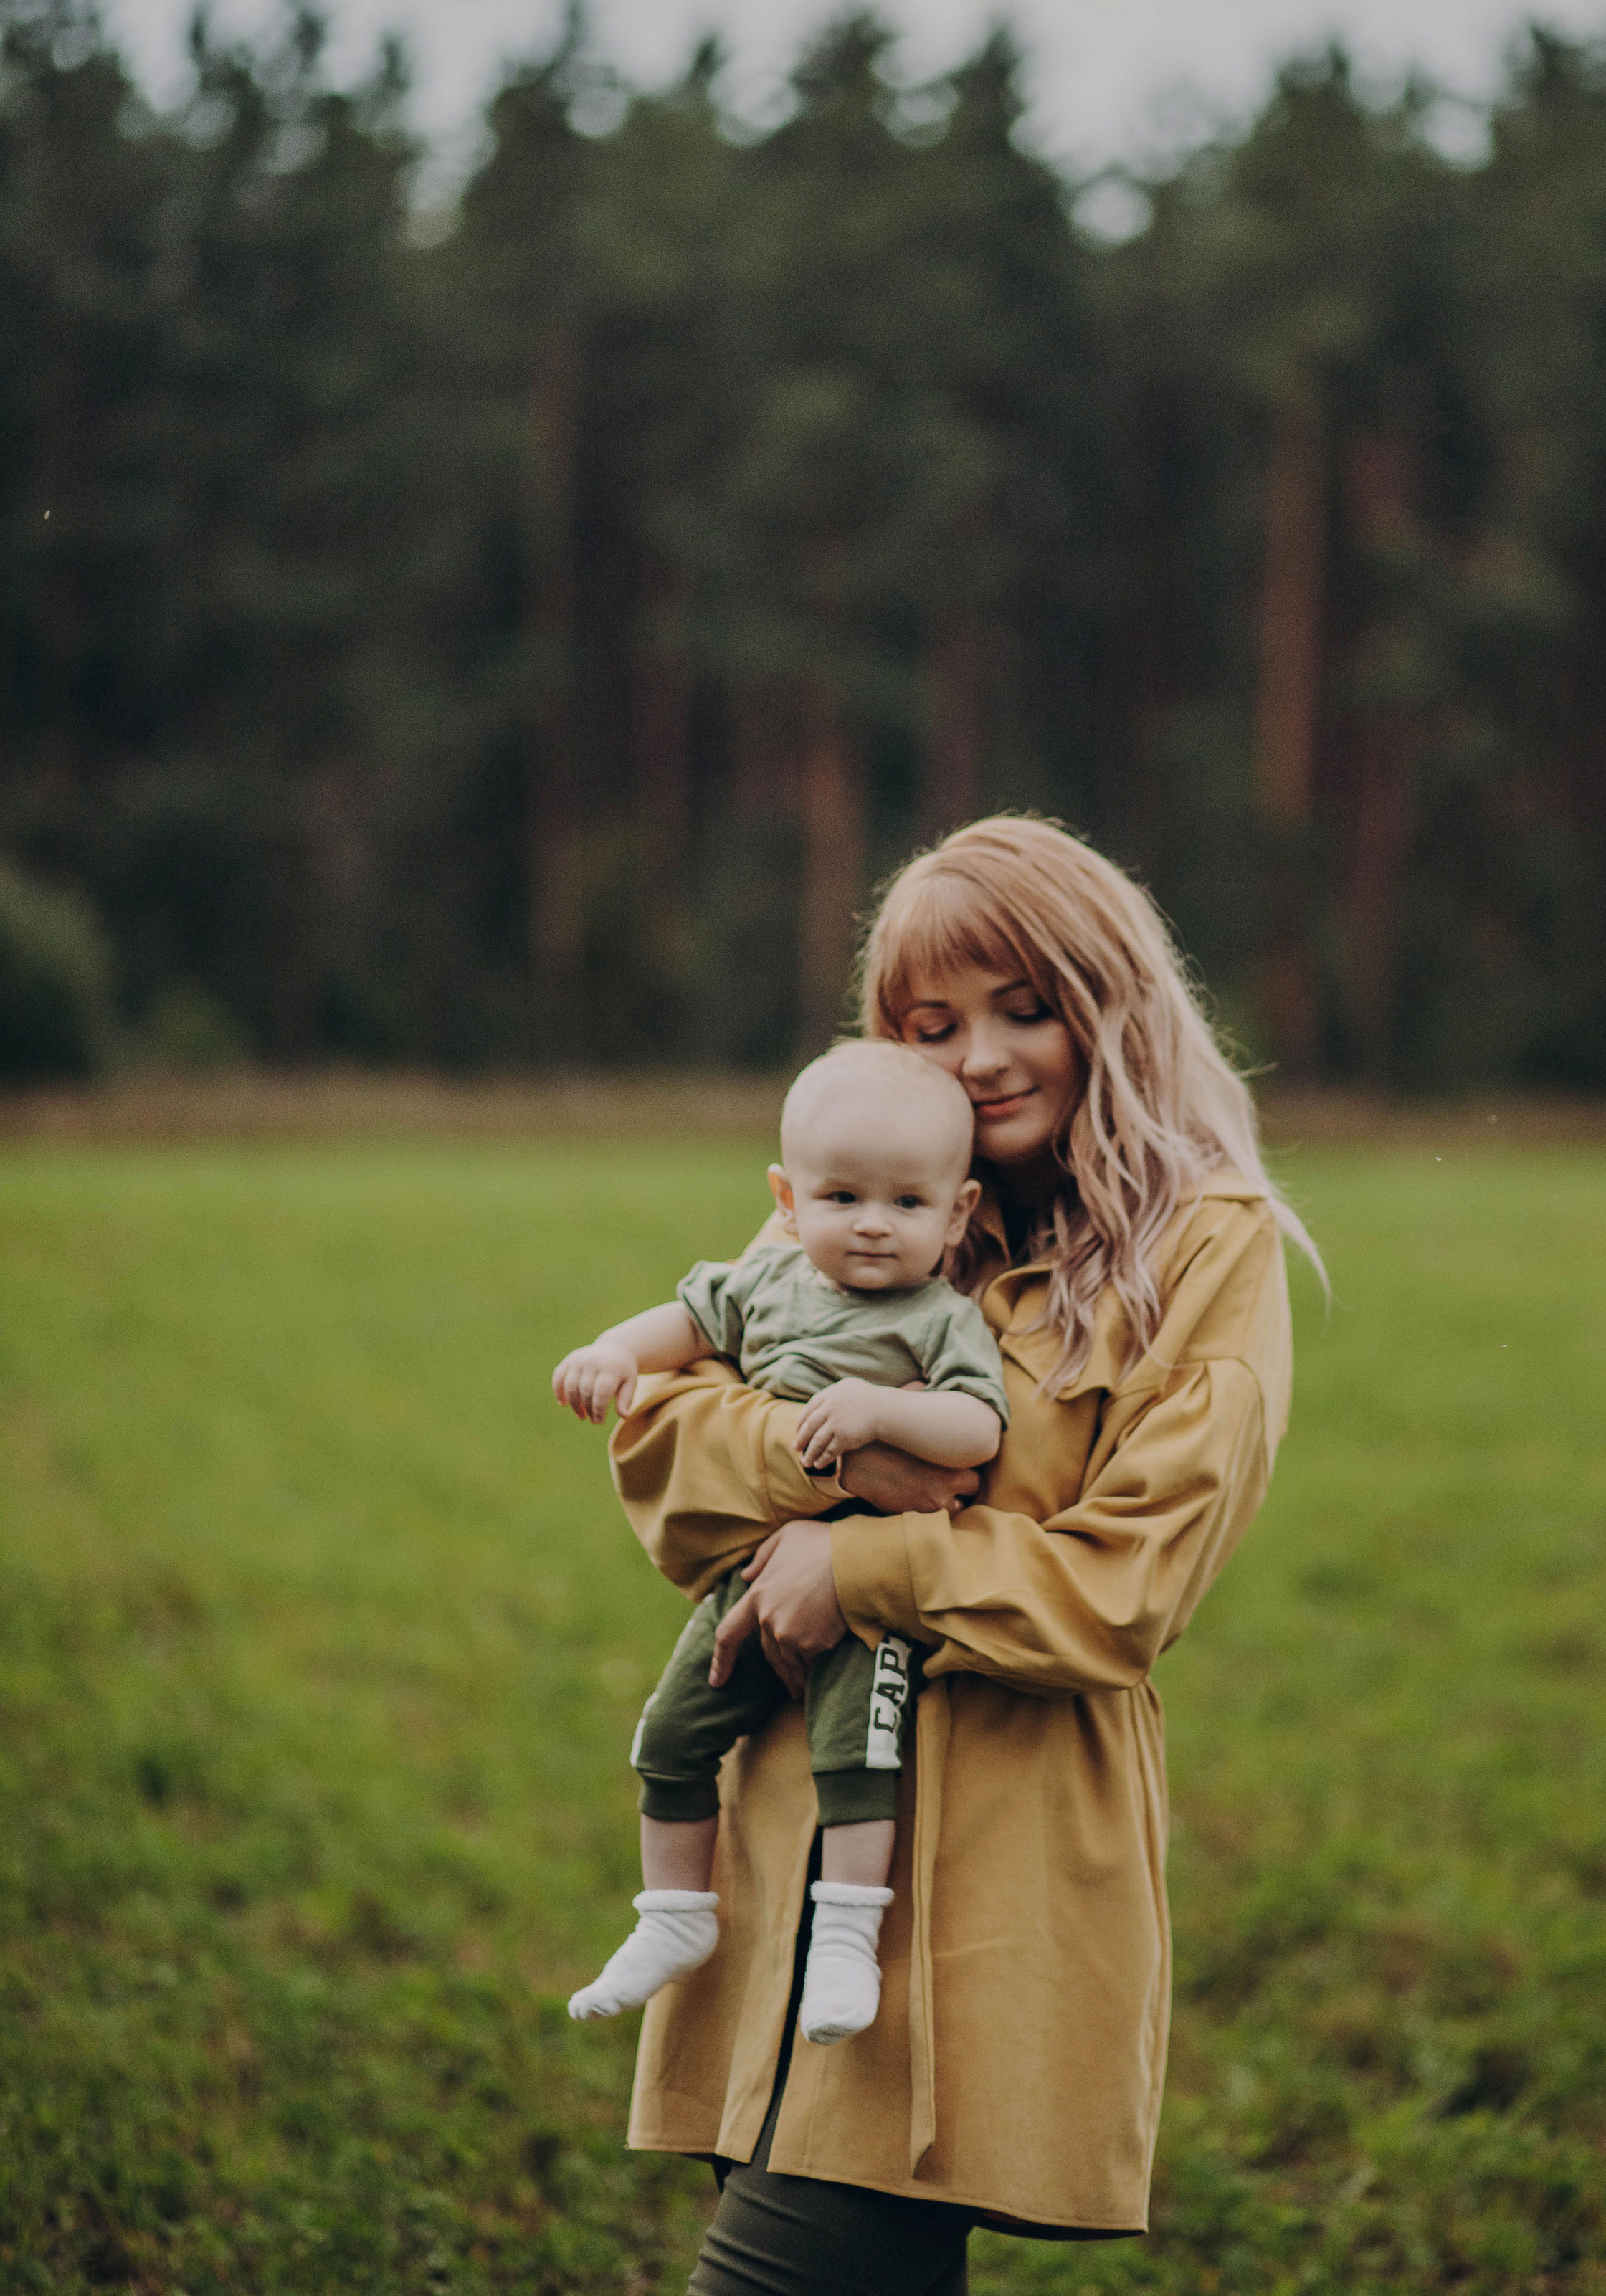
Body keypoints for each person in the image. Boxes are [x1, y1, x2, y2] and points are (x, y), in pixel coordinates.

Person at [603, 815, 1321, 2295]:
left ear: (1110, 1002)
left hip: (986, 1880)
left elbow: (1125, 1591)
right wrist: (835, 1471)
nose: (981, 1057)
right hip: (786, 1833)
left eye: (1025, 1008)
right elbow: (660, 1458)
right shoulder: (878, 1196)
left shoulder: (1208, 1252)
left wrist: (856, 1566)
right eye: (935, 1023)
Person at [552, 1042, 1009, 2046]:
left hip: (871, 1582)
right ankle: (672, 1916)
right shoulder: (766, 1281)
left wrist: (880, 1411)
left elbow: (979, 1431)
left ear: (958, 1213)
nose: (874, 1224)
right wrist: (613, 1353)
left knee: (857, 1757)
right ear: (788, 1199)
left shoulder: (942, 1318)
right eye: (842, 1196)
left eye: (908, 1202)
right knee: (671, 1736)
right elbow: (684, 1324)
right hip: (756, 1566)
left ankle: (845, 1941)